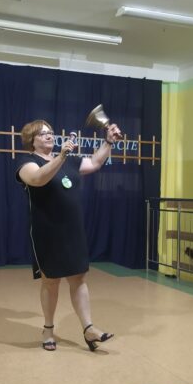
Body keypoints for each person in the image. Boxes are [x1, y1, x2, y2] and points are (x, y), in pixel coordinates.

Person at [16, 119, 122, 351]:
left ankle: (89, 329)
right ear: (31, 140)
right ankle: (48, 330)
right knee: (50, 281)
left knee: (78, 278)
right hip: (46, 231)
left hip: (72, 230)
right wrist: (61, 157)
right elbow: (38, 179)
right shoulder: (27, 162)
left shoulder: (69, 160)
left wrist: (108, 142)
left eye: (50, 132)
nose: (49, 135)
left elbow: (94, 162)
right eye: (42, 133)